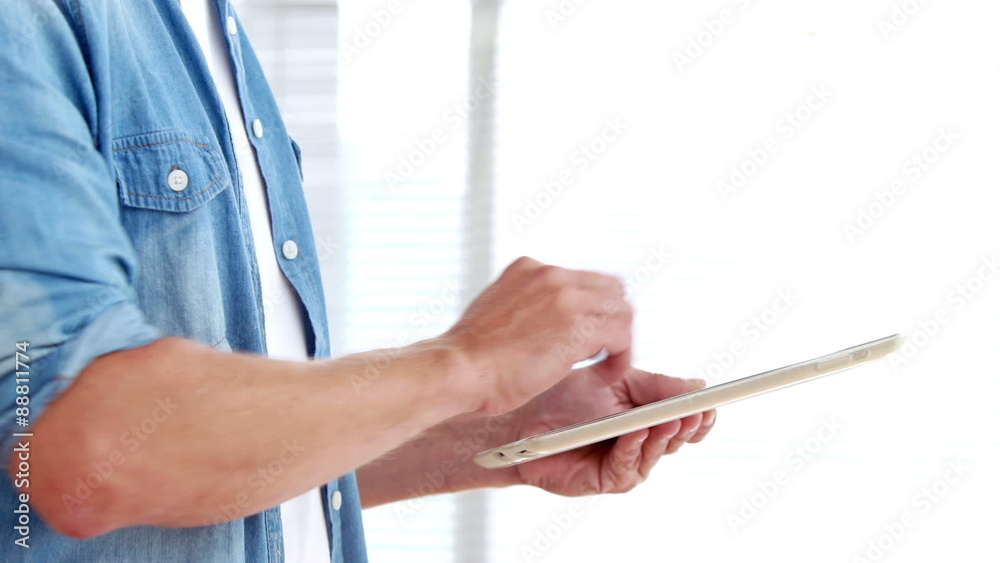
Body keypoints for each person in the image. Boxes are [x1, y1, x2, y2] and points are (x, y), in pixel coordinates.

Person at [0, 1, 715, 561]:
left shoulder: (214, 31)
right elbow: (78, 455)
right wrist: (467, 363)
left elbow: (236, 466)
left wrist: (503, 429)